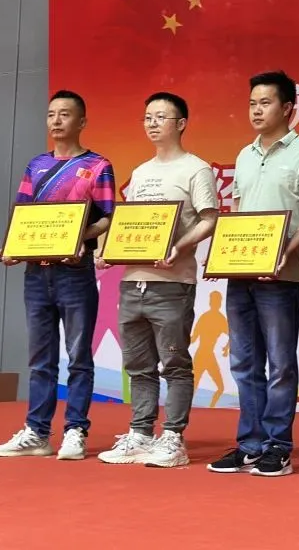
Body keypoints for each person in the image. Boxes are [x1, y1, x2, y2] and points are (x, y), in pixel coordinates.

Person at [207, 71, 299, 477]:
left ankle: (278, 446)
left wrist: (286, 252)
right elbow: (238, 214)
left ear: (288, 107)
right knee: (243, 362)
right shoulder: (244, 155)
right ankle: (250, 445)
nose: (256, 110)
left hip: (281, 277)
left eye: (265, 103)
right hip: (241, 273)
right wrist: (223, 256)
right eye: (252, 103)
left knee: (280, 363)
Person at [0, 90, 116, 460]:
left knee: (78, 356)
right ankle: (37, 432)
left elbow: (108, 217)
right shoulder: (36, 166)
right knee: (40, 359)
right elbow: (23, 215)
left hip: (75, 273)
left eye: (65, 114)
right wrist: (11, 247)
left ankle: (75, 431)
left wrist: (80, 236)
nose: (56, 120)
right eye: (51, 114)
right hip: (36, 274)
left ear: (82, 121)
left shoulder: (98, 165)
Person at [97, 92, 219, 468]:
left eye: (160, 117)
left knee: (175, 363)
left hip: (172, 282)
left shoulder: (196, 169)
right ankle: (140, 433)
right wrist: (109, 250)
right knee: (138, 365)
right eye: (147, 117)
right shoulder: (141, 172)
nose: (152, 123)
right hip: (133, 280)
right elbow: (131, 224)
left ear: (181, 124)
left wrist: (178, 247)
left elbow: (209, 218)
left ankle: (173, 438)